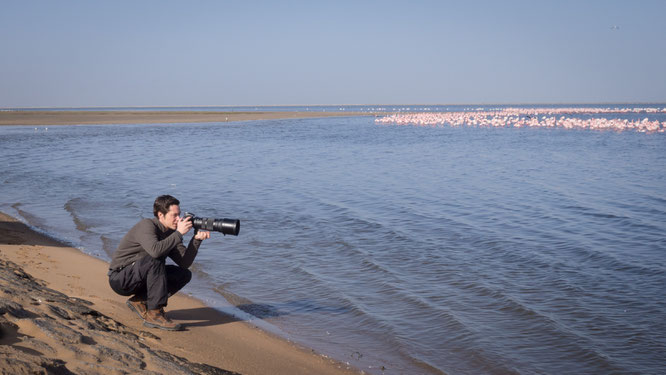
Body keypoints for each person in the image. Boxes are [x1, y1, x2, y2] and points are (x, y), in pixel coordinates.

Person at [108, 195, 210, 331]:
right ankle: (154, 314)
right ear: (161, 215)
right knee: (155, 258)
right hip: (121, 279)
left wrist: (196, 240)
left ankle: (140, 300)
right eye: (174, 215)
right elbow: (155, 251)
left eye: (179, 215)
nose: (178, 219)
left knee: (184, 274)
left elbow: (184, 262)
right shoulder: (147, 225)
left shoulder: (171, 233)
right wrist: (179, 233)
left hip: (140, 276)